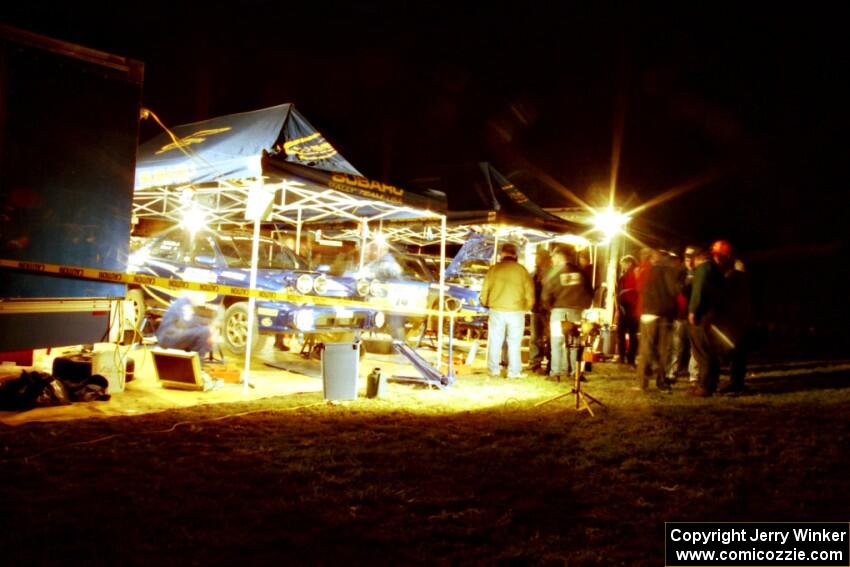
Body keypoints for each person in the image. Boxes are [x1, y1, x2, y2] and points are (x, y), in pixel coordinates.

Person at [479, 242, 534, 379]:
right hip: (516, 311)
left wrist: (485, 302)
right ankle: (514, 371)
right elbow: (529, 293)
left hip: (496, 309)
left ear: (502, 254)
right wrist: (527, 307)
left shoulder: (494, 269)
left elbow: (485, 289)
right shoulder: (522, 270)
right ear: (515, 255)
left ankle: (494, 370)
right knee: (514, 342)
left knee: (495, 341)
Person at [542, 245, 593, 380]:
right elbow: (590, 292)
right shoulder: (580, 272)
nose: (552, 259)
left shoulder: (554, 272)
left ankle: (556, 372)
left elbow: (545, 295)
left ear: (559, 255)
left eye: (553, 256)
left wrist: (549, 308)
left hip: (559, 311)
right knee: (575, 343)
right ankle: (574, 372)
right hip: (577, 311)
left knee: (557, 341)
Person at [635, 249, 680, 391]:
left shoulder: (647, 270)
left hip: (649, 312)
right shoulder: (671, 272)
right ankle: (661, 381)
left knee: (646, 348)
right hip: (666, 313)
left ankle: (642, 382)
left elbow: (639, 289)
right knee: (664, 349)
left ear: (653, 258)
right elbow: (675, 291)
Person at [712, 240, 752, 394]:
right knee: (734, 350)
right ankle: (736, 381)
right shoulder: (732, 270)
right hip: (733, 316)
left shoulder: (737, 271)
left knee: (737, 349)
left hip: (736, 317)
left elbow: (735, 293)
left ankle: (737, 382)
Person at [687, 248, 725, 396]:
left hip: (702, 315)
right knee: (710, 350)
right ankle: (712, 383)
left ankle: (704, 386)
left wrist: (693, 310)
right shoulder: (716, 270)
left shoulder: (702, 270)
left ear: (698, 258)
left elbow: (698, 291)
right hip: (715, 314)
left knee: (702, 350)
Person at [528, 246, 552, 374]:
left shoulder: (551, 273)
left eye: (539, 257)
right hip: (536, 309)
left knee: (549, 338)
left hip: (548, 310)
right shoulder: (533, 274)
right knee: (535, 338)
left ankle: (550, 364)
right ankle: (535, 363)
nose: (536, 259)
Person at [615, 255, 639, 366]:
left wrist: (618, 308)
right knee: (631, 335)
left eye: (623, 264)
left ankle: (624, 357)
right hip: (629, 308)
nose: (622, 266)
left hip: (628, 308)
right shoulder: (625, 275)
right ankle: (629, 358)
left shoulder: (631, 275)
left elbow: (618, 293)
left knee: (625, 334)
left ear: (629, 263)